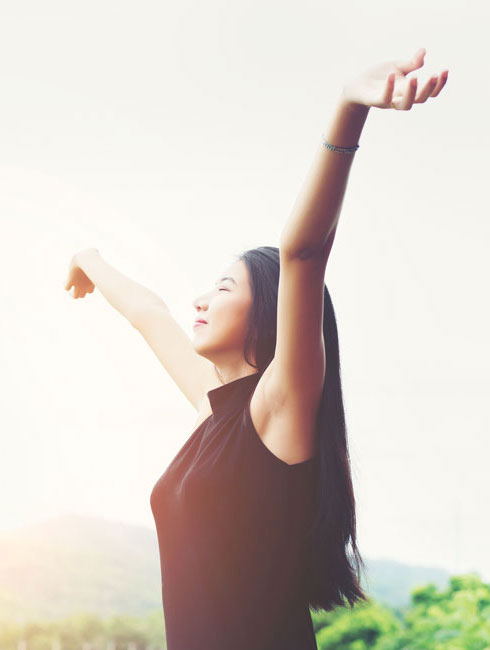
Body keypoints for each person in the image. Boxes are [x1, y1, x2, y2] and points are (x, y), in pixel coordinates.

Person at [64, 47, 448, 650]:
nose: (201, 299)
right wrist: (88, 257)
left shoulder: (279, 411)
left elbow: (301, 254)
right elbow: (150, 314)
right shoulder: (214, 413)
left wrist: (349, 108)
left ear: (267, 311)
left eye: (222, 287)